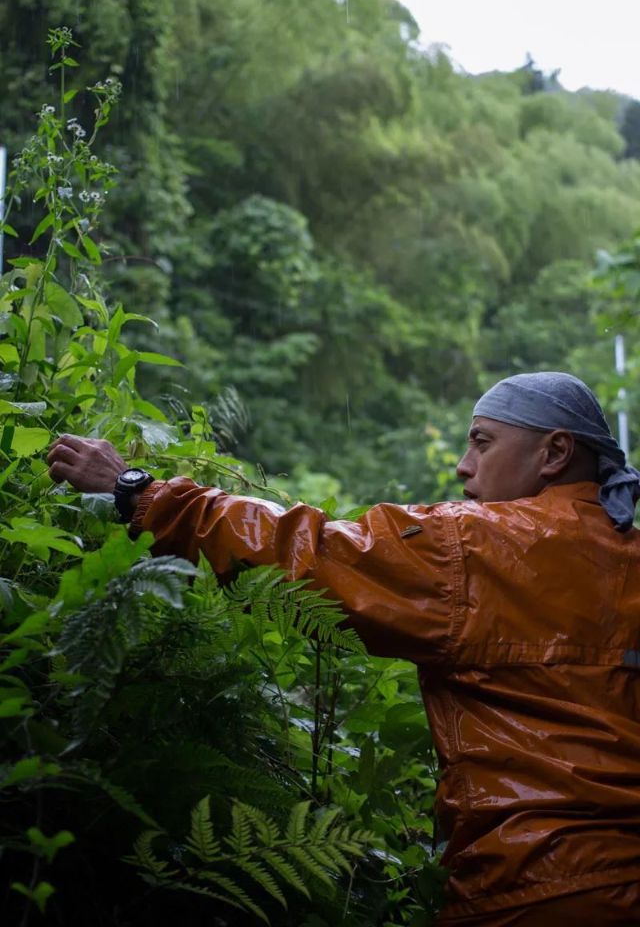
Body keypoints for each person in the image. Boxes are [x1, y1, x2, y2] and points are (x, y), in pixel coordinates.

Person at [47, 372, 640, 926]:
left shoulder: (478, 546)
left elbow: (309, 553)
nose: (465, 468)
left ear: (555, 453)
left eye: (482, 443)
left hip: (533, 887)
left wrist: (141, 493)